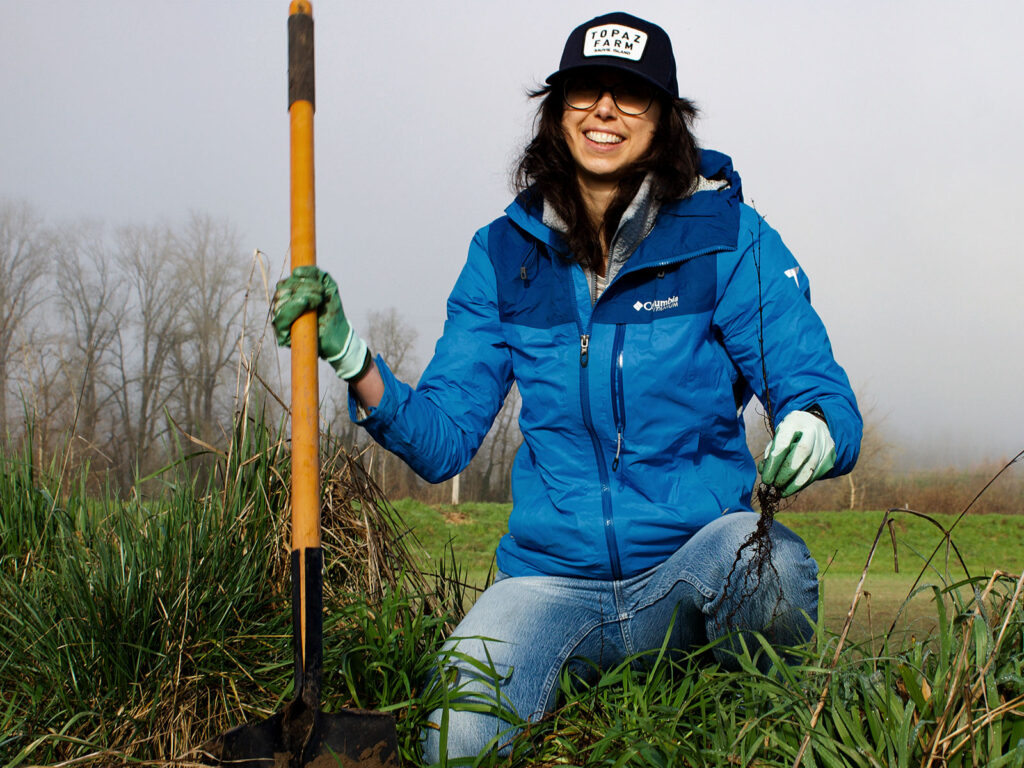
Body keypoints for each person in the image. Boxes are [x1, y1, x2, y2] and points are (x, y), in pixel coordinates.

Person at [272, 11, 861, 762]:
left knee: (772, 568)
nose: (606, 110)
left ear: (667, 118)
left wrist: (813, 428)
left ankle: (747, 723)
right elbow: (444, 440)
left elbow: (822, 393)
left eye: (632, 94)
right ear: (556, 111)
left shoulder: (731, 239)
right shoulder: (502, 254)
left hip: (692, 564)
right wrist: (354, 357)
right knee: (453, 742)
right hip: (549, 587)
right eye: (586, 90)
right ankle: (562, 682)